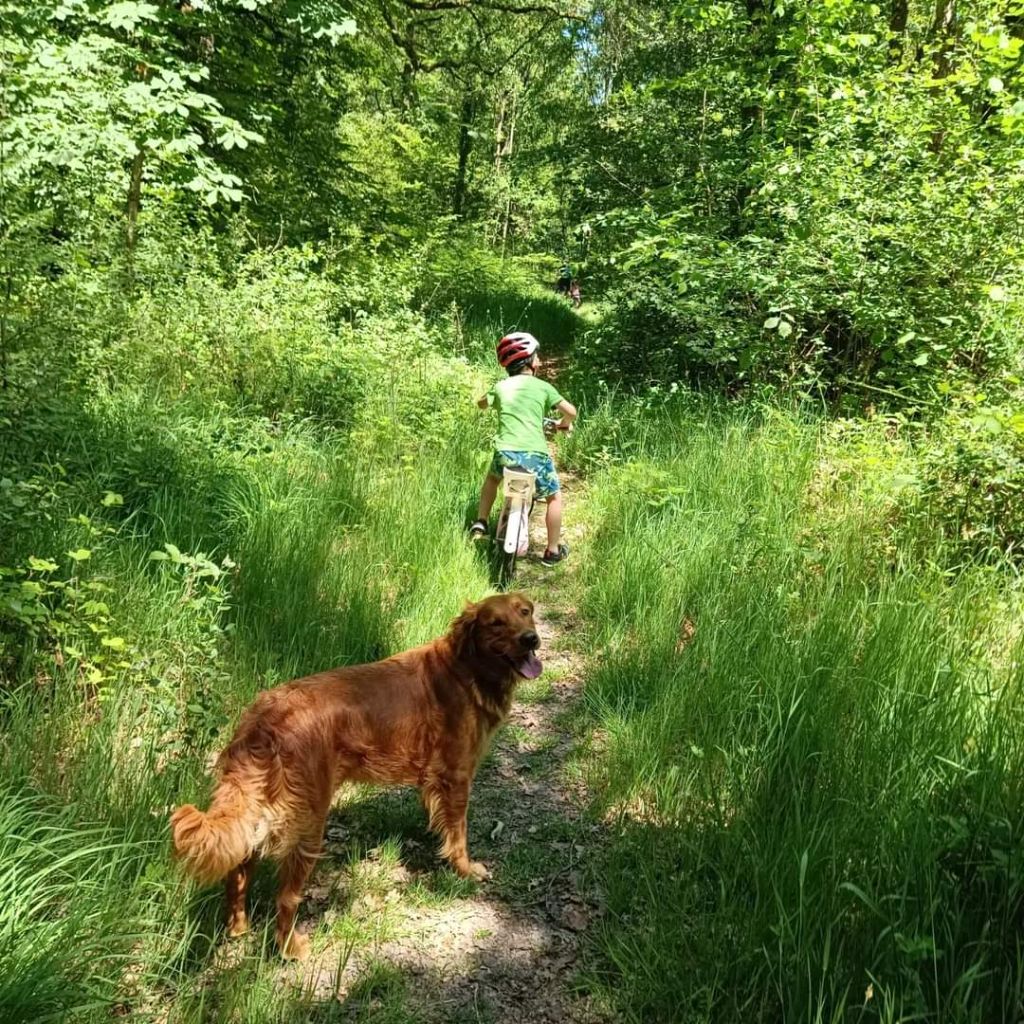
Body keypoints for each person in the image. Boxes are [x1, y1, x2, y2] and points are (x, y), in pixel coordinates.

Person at [469, 332, 577, 567]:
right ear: (529, 361)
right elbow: (571, 411)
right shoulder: (544, 387)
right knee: (554, 497)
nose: (539, 360)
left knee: (491, 480)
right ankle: (552, 551)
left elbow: (480, 403)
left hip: (505, 455)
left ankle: (481, 521)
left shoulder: (501, 386)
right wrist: (563, 424)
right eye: (536, 356)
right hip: (535, 457)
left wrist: (488, 400)